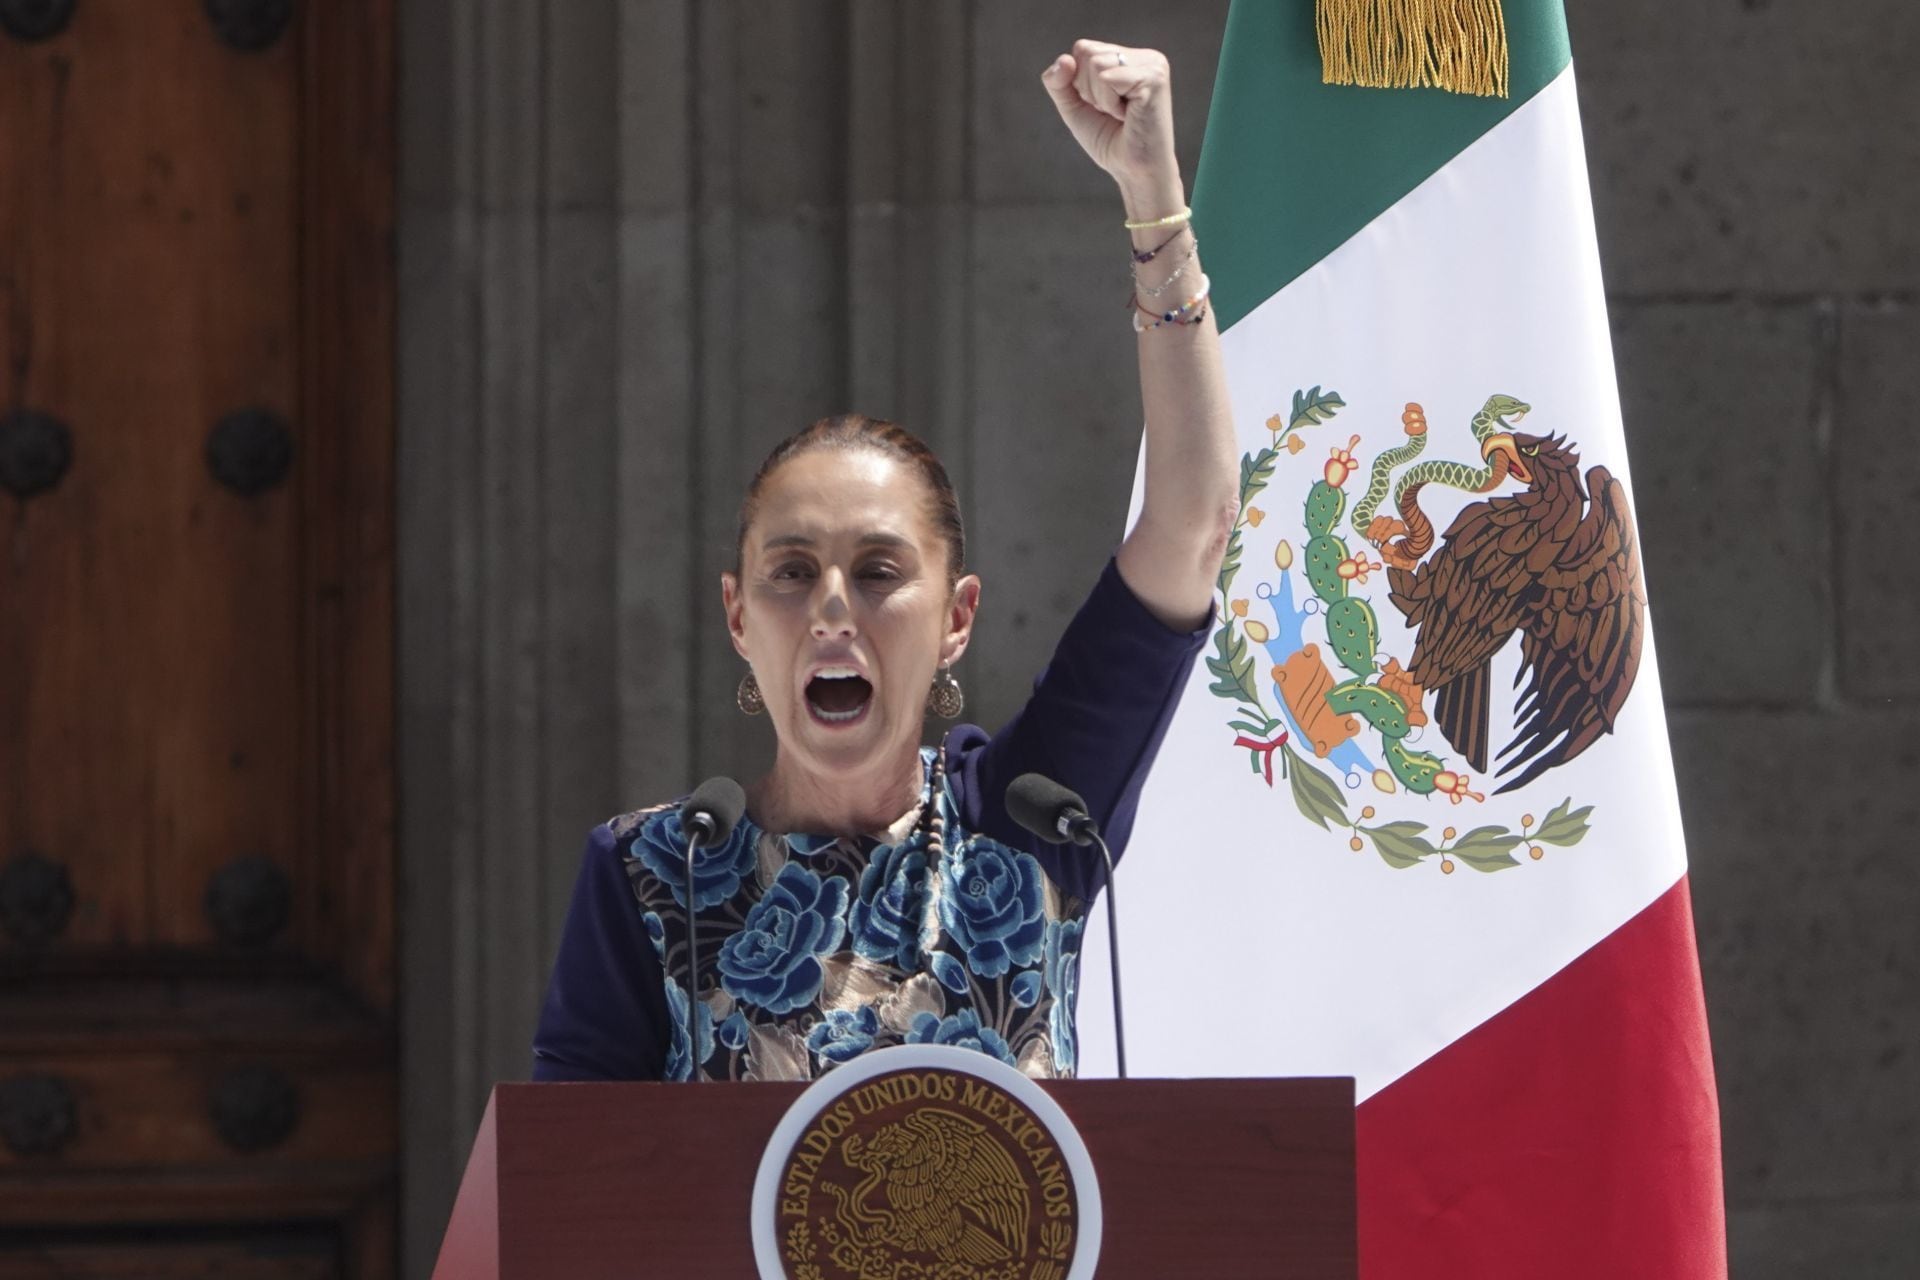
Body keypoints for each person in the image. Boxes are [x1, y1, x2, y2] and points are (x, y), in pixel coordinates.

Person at [531, 38, 1235, 1082]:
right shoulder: (652, 874)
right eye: (790, 571)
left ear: (957, 615)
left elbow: (1193, 519)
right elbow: (569, 1206)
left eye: (877, 571)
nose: (830, 607)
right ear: (737, 617)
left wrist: (1154, 203)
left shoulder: (1035, 815)